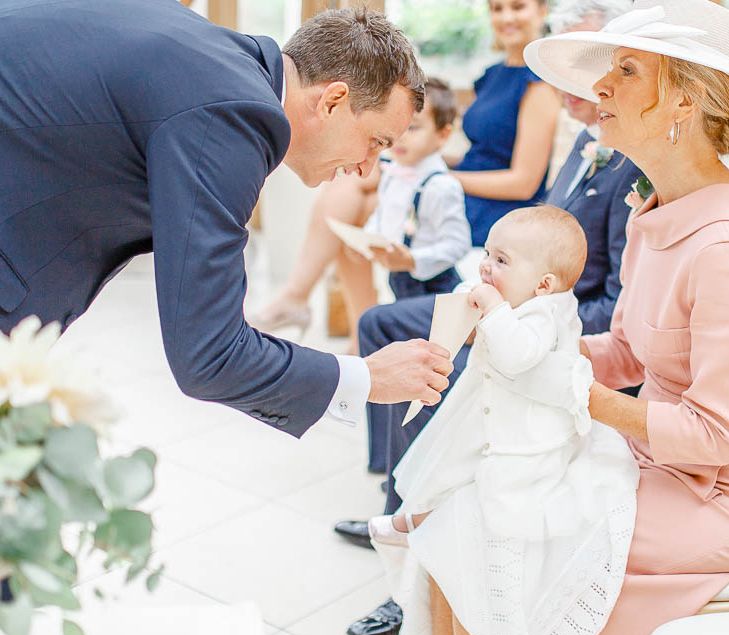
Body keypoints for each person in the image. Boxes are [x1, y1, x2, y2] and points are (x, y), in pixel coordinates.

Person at [421, 0, 729, 635]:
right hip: (645, 455)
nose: (599, 88)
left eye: (625, 70)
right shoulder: (653, 214)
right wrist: (511, 336)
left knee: (485, 527)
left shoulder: (719, 248)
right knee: (457, 514)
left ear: (684, 103)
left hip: (708, 495)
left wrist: (568, 390)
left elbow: (713, 436)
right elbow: (620, 352)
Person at [0, 2, 455, 439]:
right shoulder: (235, 115)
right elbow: (209, 354)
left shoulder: (212, 59)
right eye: (375, 141)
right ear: (333, 101)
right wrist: (368, 377)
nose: (367, 168)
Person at [339, 0, 638, 635]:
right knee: (385, 325)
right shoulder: (586, 146)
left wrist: (517, 321)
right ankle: (397, 499)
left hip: (544, 324)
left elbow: (611, 304)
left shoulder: (629, 169)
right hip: (513, 297)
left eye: (593, 66)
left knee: (402, 331)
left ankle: (411, 522)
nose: (580, 83)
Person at [369, 206, 639, 635]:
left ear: (544, 285)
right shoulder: (523, 302)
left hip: (528, 439)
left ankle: (412, 521)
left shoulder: (545, 317)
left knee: (468, 474)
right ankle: (411, 517)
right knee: (441, 458)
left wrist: (492, 310)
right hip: (491, 413)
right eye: (488, 254)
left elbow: (518, 356)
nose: (486, 266)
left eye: (502, 260)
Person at [253, 0, 560, 350]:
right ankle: (356, 330)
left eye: (517, 7)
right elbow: (480, 151)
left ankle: (310, 307)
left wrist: (434, 177)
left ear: (542, 12)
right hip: (459, 181)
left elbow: (523, 181)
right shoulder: (490, 77)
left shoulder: (538, 86)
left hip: (489, 205)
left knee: (359, 201)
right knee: (354, 199)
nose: (506, 17)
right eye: (497, 9)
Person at [361, 78, 471, 300]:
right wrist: (369, 239)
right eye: (396, 126)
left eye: (413, 128)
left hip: (435, 290)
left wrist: (413, 259)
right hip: (399, 280)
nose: (400, 138)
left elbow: (458, 244)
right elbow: (384, 214)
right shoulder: (392, 174)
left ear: (443, 135)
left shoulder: (441, 186)